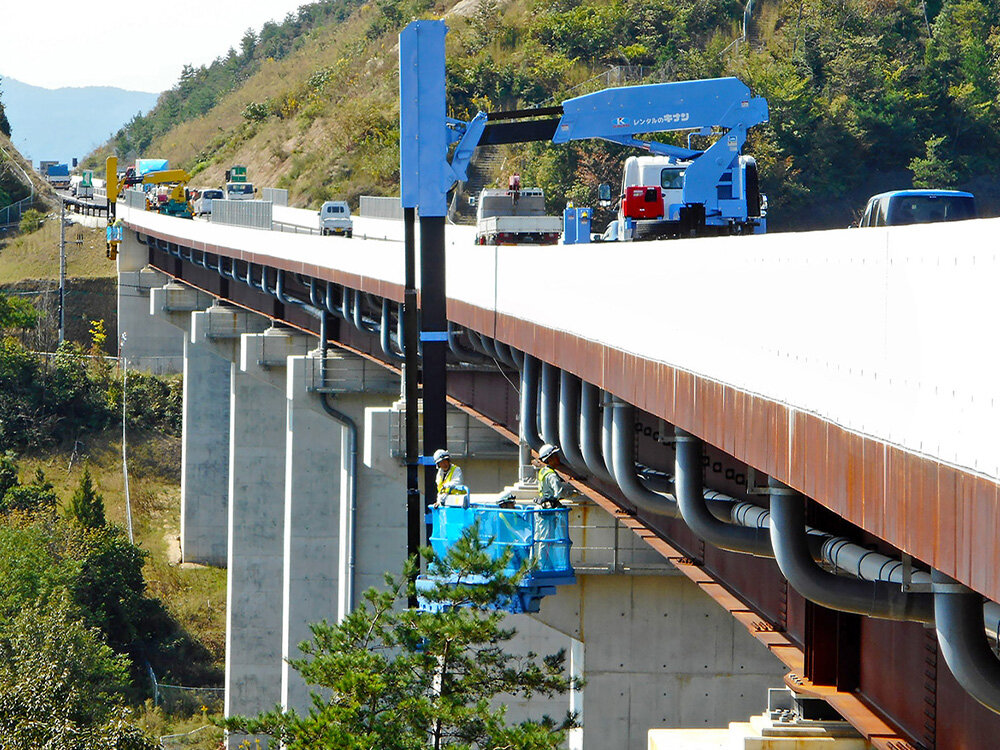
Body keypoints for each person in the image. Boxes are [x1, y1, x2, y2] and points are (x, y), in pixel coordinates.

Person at [534, 443, 571, 509]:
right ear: (550, 459)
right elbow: (560, 493)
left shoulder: (543, 471)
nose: (558, 458)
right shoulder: (552, 476)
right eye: (555, 456)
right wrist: (573, 493)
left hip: (543, 507)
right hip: (550, 509)